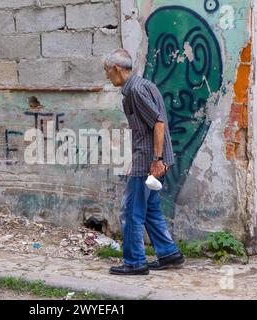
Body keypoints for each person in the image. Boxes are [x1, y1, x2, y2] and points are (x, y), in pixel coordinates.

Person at [104, 49, 184, 275]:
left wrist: (156, 160)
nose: (106, 75)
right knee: (150, 209)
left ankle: (135, 262)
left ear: (117, 69)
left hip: (149, 162)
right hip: (151, 159)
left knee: (131, 211)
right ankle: (169, 253)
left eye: (107, 70)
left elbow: (158, 123)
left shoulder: (135, 91)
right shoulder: (143, 85)